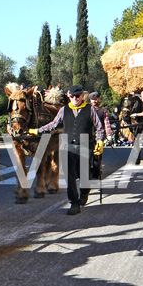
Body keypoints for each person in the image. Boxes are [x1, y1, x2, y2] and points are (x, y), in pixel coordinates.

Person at [29, 85, 105, 215]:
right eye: (72, 96)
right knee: (70, 177)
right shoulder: (64, 110)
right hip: (68, 147)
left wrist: (99, 141)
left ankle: (85, 192)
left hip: (85, 146)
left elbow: (99, 127)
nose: (75, 98)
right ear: (69, 96)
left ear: (82, 96)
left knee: (85, 175)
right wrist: (38, 130)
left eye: (78, 96)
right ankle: (74, 203)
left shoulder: (90, 109)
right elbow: (54, 124)